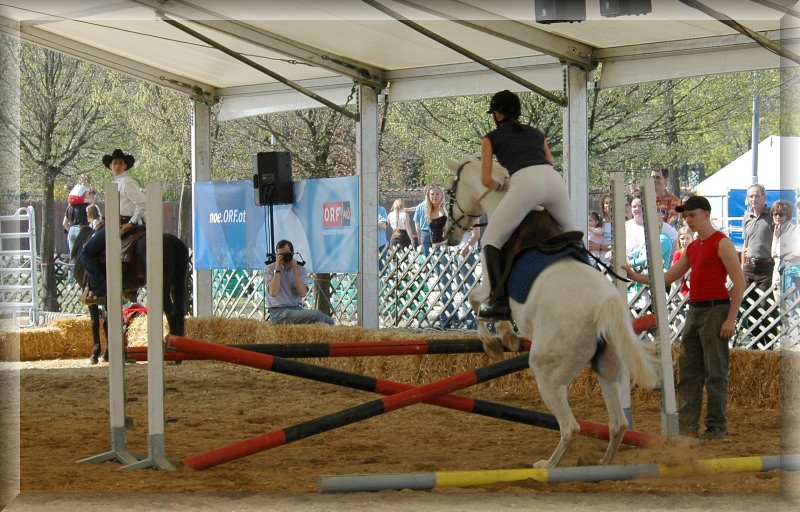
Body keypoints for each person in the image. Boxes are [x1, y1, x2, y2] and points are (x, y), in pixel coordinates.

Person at [622, 196, 744, 440]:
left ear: (706, 214)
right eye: (686, 216)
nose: (688, 220)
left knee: (715, 371)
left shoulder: (722, 243)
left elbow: (740, 282)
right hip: (695, 309)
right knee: (689, 370)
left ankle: (716, 427)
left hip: (715, 309)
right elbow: (667, 278)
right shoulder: (692, 247)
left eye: (693, 215)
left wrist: (730, 319)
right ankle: (689, 426)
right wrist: (635, 276)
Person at [478, 90, 578, 320]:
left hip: (525, 183)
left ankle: (499, 301)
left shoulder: (490, 138)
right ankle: (590, 275)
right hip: (553, 181)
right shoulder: (536, 133)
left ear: (497, 113)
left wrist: (500, 184)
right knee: (573, 234)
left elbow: (486, 180)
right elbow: (550, 161)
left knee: (490, 240)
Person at [80, 149, 146, 305]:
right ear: (110, 166)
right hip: (114, 221)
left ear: (125, 166)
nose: (117, 165)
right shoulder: (116, 183)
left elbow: (142, 202)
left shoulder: (126, 182)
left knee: (87, 251)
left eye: (120, 163)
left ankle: (100, 291)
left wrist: (132, 222)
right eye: (114, 163)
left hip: (121, 223)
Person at [264, 239, 334, 325]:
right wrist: (277, 269)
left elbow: (302, 293)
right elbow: (273, 292)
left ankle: (316, 336)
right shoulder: (270, 268)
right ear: (277, 255)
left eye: (286, 253)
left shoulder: (300, 269)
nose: (284, 257)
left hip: (296, 309)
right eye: (280, 255)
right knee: (317, 315)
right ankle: (318, 338)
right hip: (278, 312)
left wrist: (295, 271)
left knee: (330, 321)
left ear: (292, 253)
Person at [740, 184, 775, 340]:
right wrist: (742, 266)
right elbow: (745, 244)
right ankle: (753, 341)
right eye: (751, 196)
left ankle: (768, 341)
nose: (753, 199)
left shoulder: (773, 216)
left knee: (764, 305)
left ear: (764, 197)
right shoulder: (746, 217)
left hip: (766, 266)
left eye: (756, 195)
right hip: (749, 266)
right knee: (747, 302)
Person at [771, 199, 800, 319]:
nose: (778, 217)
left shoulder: (793, 229)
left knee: (793, 311)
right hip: (778, 274)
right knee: (782, 311)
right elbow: (773, 253)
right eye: (775, 214)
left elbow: (796, 252)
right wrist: (776, 237)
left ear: (788, 215)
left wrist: (781, 252)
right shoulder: (778, 230)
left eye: (781, 214)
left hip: (792, 274)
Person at [62, 184, 89, 253]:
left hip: (71, 230)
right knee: (82, 254)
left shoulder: (69, 207)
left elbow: (64, 223)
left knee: (73, 255)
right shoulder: (86, 206)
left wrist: (70, 230)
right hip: (82, 229)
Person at [671, 227, 694, 297]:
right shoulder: (678, 254)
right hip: (684, 286)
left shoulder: (696, 252)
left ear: (692, 239)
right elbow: (677, 270)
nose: (685, 241)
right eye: (682, 239)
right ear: (679, 241)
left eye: (687, 238)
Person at [377, 204, 388, 270]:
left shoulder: (380, 210)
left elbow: (383, 224)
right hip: (366, 244)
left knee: (382, 269)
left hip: (380, 244)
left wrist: (367, 223)